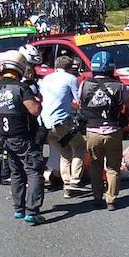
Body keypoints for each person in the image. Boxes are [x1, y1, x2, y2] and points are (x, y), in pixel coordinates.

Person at [0, 51, 47, 224]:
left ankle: (19, 208)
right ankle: (32, 211)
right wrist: (38, 100)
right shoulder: (21, 88)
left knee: (16, 172)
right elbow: (35, 110)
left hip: (5, 137)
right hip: (23, 137)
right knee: (34, 171)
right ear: (21, 67)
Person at [80, 51, 129, 210]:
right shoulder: (119, 86)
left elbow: (80, 103)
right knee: (113, 167)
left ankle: (97, 197)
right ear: (112, 68)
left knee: (95, 165)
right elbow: (128, 105)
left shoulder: (85, 84)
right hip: (113, 131)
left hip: (93, 131)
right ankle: (111, 199)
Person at [40, 55, 88, 197]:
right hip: (62, 122)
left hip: (46, 123)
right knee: (80, 146)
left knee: (65, 151)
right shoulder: (71, 79)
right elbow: (79, 100)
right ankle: (74, 181)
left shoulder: (46, 79)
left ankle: (66, 182)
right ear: (70, 68)